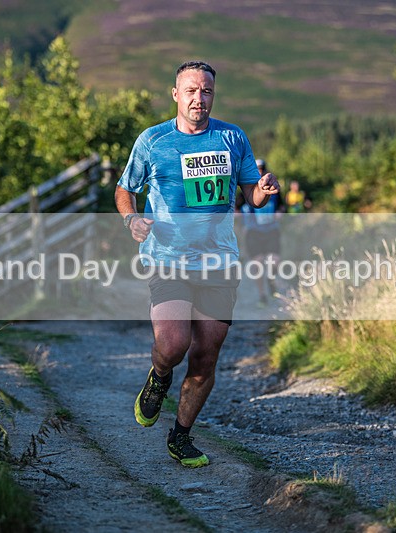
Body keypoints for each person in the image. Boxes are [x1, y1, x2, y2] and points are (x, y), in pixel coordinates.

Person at [114, 60, 280, 468]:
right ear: (175, 94)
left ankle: (181, 436)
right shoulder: (153, 141)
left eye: (206, 91)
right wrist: (131, 218)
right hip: (167, 259)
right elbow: (124, 188)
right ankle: (158, 377)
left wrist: (260, 191)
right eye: (190, 90)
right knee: (173, 345)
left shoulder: (232, 137)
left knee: (206, 354)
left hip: (219, 262)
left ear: (213, 96)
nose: (198, 98)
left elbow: (250, 196)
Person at [241, 159, 284, 307]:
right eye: (257, 169)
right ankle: (262, 296)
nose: (259, 172)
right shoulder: (246, 188)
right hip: (254, 232)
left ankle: (271, 281)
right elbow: (236, 207)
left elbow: (282, 207)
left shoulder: (273, 187)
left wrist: (280, 213)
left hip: (271, 230)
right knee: (258, 264)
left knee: (275, 261)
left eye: (262, 169)